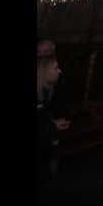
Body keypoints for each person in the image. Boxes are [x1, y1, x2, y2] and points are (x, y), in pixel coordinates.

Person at [37, 56, 70, 184]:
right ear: (43, 72)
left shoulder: (46, 94)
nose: (59, 71)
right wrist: (52, 127)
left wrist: (52, 124)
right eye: (55, 68)